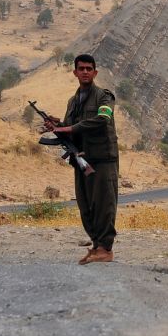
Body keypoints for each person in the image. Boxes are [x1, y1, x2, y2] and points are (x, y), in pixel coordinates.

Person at [45, 53, 119, 265]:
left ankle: (106, 249)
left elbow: (102, 119)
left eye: (89, 68)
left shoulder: (104, 97)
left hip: (102, 158)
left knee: (104, 204)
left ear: (95, 72)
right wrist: (56, 125)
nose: (85, 72)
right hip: (81, 159)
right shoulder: (72, 101)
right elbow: (70, 128)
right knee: (85, 204)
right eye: (81, 68)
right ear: (75, 72)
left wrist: (68, 127)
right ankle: (96, 246)